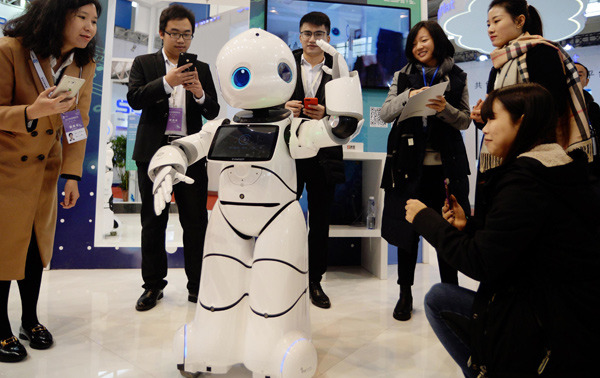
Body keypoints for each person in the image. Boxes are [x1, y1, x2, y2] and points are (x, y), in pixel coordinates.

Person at [406, 83, 600, 377]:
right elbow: (517, 240)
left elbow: (481, 262)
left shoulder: (525, 181)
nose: (484, 129)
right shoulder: (561, 169)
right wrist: (467, 225)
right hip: (561, 315)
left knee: (438, 298)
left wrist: (425, 220)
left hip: (541, 325)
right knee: (440, 297)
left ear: (522, 120)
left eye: (493, 118)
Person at [0, 0, 100, 362]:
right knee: (4, 246)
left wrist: (72, 174)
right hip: (6, 168)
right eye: (81, 17)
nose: (89, 27)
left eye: (93, 20)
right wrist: (32, 111)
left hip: (45, 169)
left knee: (34, 247)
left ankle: (30, 320)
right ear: (58, 14)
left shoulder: (82, 63)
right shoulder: (12, 50)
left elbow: (77, 122)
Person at [127, 4, 220, 312]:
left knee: (196, 222)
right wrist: (168, 82)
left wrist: (199, 93)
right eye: (175, 33)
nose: (181, 40)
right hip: (153, 154)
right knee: (153, 221)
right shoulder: (144, 62)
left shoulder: (201, 68)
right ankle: (153, 286)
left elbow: (213, 111)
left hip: (190, 154)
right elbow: (135, 99)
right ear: (162, 32)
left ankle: (198, 285)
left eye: (187, 35)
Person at [378, 20, 471, 321]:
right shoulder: (401, 76)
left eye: (425, 39)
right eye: (416, 40)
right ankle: (405, 294)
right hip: (408, 169)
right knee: (408, 232)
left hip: (446, 170)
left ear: (438, 41)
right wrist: (410, 96)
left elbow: (466, 120)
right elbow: (385, 113)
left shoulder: (457, 76)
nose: (420, 46)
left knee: (447, 232)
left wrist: (444, 109)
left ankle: (451, 295)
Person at [471, 0, 592, 176]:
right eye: (488, 24)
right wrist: (482, 117)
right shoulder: (498, 64)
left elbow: (552, 107)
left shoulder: (542, 52)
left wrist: (510, 117)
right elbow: (492, 116)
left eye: (497, 21)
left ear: (520, 21)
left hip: (536, 156)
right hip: (501, 156)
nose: (490, 29)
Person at [284, 11, 342, 309]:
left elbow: (349, 112)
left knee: (320, 221)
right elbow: (265, 101)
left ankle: (314, 281)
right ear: (299, 35)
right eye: (306, 33)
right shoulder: (284, 63)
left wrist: (328, 114)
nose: (311, 39)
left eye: (318, 34)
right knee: (283, 215)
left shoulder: (339, 67)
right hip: (289, 151)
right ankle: (284, 274)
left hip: (325, 153)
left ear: (328, 37)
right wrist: (285, 107)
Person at [575, 62, 600, 175]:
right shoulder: (556, 106)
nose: (574, 77)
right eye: (570, 73)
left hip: (593, 166)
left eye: (579, 75)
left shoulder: (593, 107)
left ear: (586, 81)